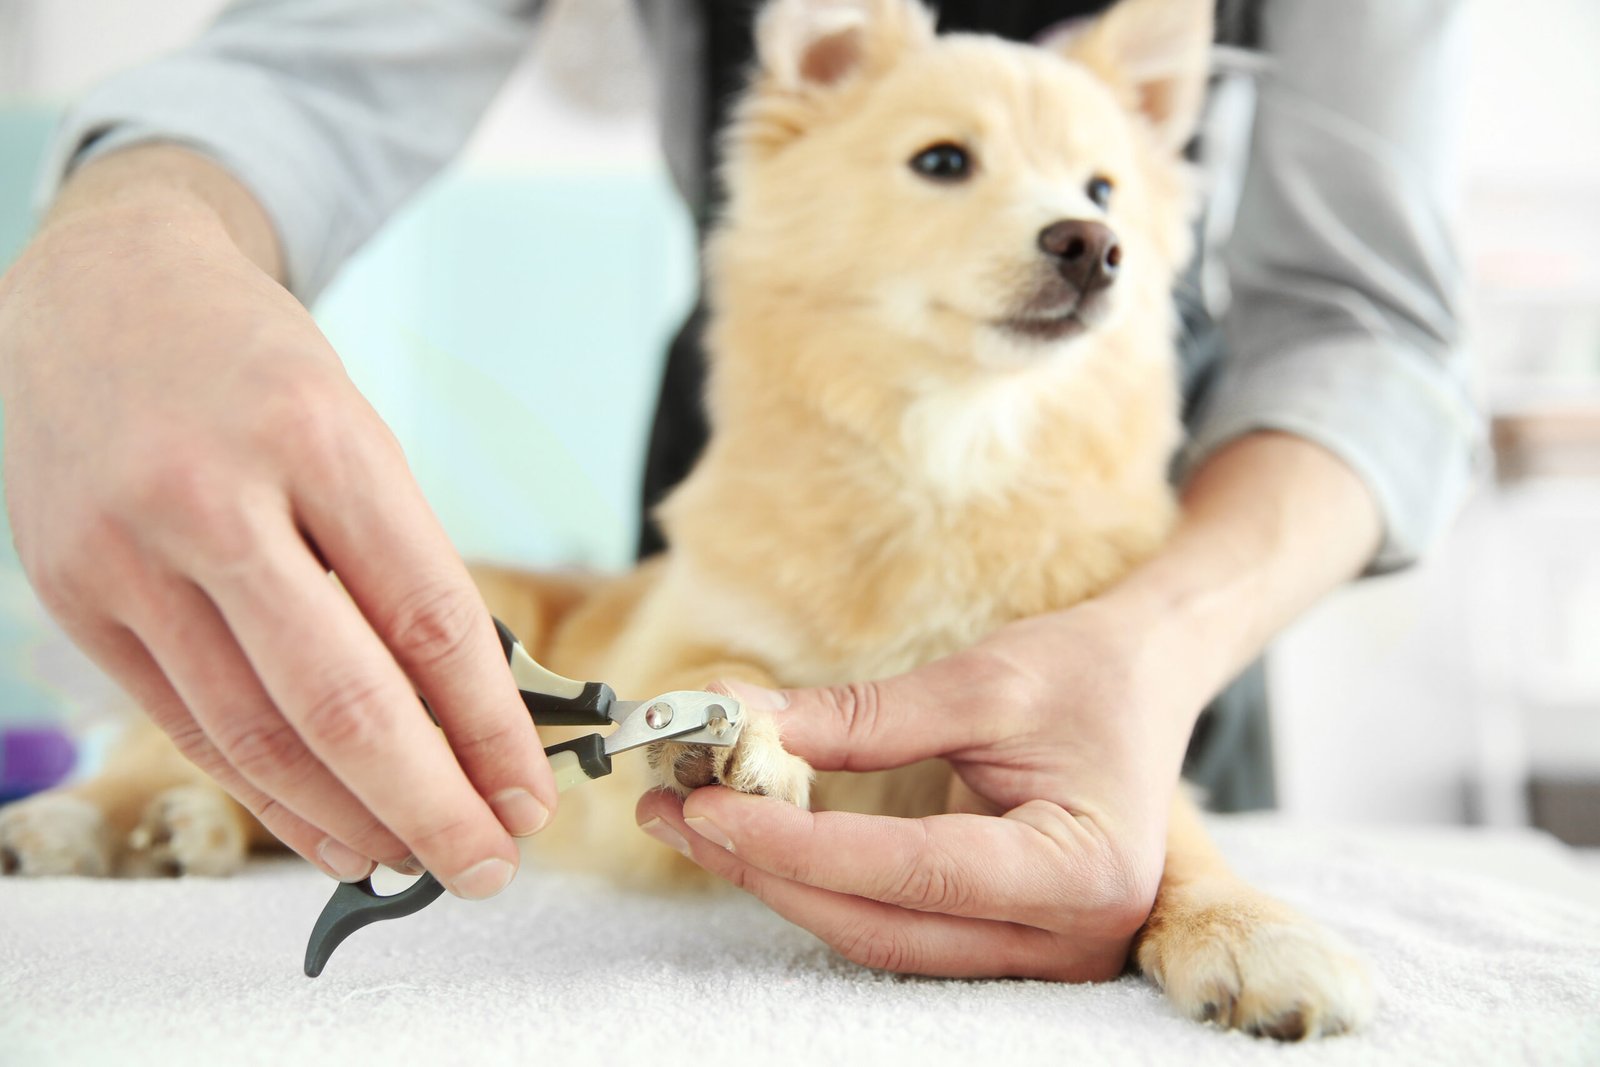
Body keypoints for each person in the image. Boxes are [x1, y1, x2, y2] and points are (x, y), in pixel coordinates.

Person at [0, 0, 1475, 976]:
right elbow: (317, 62)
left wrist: (1160, 646)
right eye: (949, 158)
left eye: (1101, 195)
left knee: (1112, 841)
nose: (1076, 226)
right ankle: (155, 793)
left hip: (1187, 560)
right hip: (750, 468)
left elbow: (1371, 322)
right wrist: (126, 245)